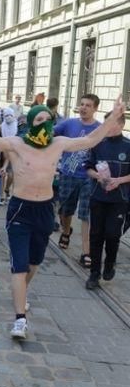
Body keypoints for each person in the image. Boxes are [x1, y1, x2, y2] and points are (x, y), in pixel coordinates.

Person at [0, 93, 125, 340]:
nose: (44, 124)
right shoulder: (16, 144)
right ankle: (20, 319)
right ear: (30, 123)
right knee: (19, 265)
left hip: (44, 210)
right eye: (39, 120)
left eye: (47, 120)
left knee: (33, 263)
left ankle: (22, 292)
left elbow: (91, 139)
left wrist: (114, 116)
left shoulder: (58, 143)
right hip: (20, 210)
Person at [84, 111, 130, 289]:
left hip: (119, 198)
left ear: (120, 125)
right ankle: (94, 273)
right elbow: (87, 168)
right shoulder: (97, 144)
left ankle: (110, 263)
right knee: (96, 235)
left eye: (110, 124)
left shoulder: (127, 146)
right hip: (98, 196)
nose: (106, 128)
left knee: (112, 234)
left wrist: (119, 180)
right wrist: (98, 177)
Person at [55, 94, 102, 268]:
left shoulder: (99, 128)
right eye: (81, 104)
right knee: (65, 210)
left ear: (95, 108)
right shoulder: (69, 124)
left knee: (85, 214)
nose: (83, 108)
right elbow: (51, 133)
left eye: (88, 105)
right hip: (68, 173)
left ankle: (85, 251)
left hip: (88, 176)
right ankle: (66, 231)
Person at [0, 107, 18, 203]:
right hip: (2, 152)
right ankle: (1, 195)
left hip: (13, 152)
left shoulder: (17, 126)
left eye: (10, 115)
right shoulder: (1, 127)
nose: (8, 117)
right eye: (6, 115)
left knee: (11, 175)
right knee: (2, 174)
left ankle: (7, 189)